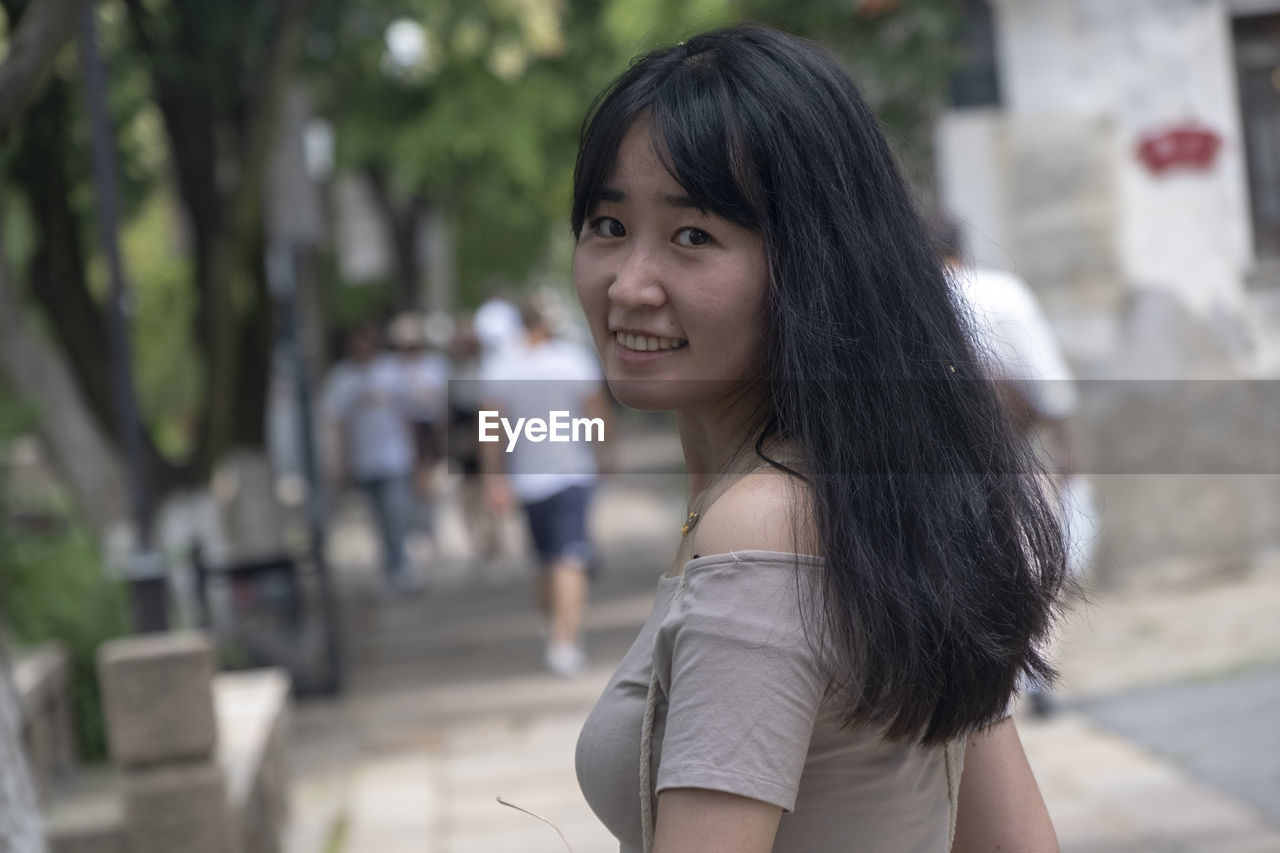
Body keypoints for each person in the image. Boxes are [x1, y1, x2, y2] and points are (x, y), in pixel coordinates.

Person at [570, 25, 1067, 852]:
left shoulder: (766, 528)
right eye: (607, 225)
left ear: (813, 264)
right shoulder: (870, 500)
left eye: (694, 236)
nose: (629, 283)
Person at [936, 213, 1100, 716]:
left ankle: (994, 681)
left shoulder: (908, 300)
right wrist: (1067, 456)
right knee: (1030, 565)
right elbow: (1048, 382)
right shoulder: (1002, 293)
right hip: (1007, 454)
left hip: (940, 460)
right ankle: (1031, 676)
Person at [479, 298, 611, 677]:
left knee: (548, 559)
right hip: (573, 472)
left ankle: (557, 631)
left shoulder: (500, 367)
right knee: (567, 558)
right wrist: (605, 454)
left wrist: (494, 478)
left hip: (528, 479)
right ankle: (564, 640)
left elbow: (491, 430)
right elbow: (597, 412)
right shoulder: (571, 360)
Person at [322, 321, 423, 597]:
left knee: (396, 512)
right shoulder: (342, 378)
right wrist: (341, 462)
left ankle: (402, 567)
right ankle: (392, 569)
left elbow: (408, 414)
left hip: (395, 457)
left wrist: (416, 453)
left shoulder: (391, 371)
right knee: (379, 518)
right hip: (365, 460)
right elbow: (337, 423)